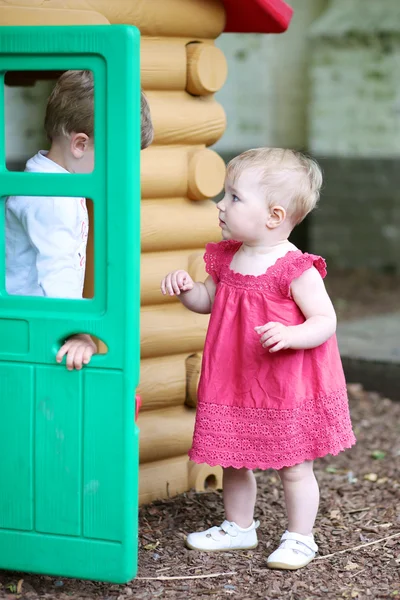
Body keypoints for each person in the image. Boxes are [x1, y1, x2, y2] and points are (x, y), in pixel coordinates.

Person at [160, 147, 356, 570]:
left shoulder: (294, 268)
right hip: (233, 378)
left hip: (280, 385)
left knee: (293, 465)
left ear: (274, 215)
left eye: (233, 197)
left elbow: (325, 319)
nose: (221, 205)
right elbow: (208, 300)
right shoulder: (228, 257)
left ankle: (300, 537)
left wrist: (292, 333)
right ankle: (238, 526)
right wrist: (187, 290)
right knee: (234, 457)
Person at [6, 70, 153, 370]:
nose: (120, 168)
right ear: (80, 145)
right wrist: (79, 333)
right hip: (33, 333)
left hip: (37, 325)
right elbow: (56, 271)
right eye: (116, 157)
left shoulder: (61, 183)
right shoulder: (51, 197)